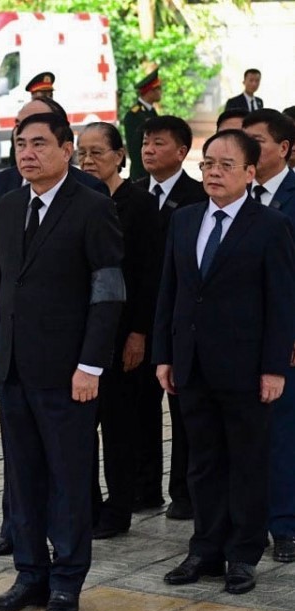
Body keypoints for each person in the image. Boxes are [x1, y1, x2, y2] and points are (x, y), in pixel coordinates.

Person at [0, 111, 124, 611]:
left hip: (69, 372)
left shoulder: (91, 206)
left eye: (39, 143)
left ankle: (67, 580)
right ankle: (29, 573)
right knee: (23, 476)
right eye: (21, 143)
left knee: (68, 477)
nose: (27, 153)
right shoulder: (8, 205)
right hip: (16, 366)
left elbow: (107, 290)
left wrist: (91, 364)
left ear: (67, 150)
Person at [154, 129, 295, 595]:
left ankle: (242, 554)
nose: (213, 172)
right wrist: (165, 355)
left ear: (250, 173)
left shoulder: (270, 226)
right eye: (208, 163)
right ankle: (204, 549)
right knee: (202, 463)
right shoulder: (186, 219)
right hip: (192, 365)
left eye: (225, 165)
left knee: (247, 464)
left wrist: (275, 367)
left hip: (247, 368)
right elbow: (170, 293)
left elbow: (281, 303)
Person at [77, 123, 164, 539]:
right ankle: (88, 505)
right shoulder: (74, 201)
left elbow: (149, 275)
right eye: (82, 153)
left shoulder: (141, 206)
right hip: (82, 335)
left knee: (119, 427)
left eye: (97, 153)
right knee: (82, 426)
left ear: (119, 156)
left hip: (125, 331)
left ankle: (119, 508)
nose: (89, 161)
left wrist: (140, 333)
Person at [133, 115, 207, 520]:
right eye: (145, 142)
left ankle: (184, 491)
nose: (148, 150)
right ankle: (144, 488)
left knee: (184, 413)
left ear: (181, 152)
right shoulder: (132, 192)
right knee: (141, 408)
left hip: (182, 318)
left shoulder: (198, 196)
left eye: (158, 143)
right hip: (142, 319)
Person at [242, 108, 295, 564]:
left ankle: (284, 525)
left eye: (256, 141)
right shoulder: (233, 197)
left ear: (284, 148)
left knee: (281, 433)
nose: (249, 149)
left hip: (284, 338)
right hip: (237, 338)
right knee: (243, 435)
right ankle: (245, 525)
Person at [124, 69, 161, 180]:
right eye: (158, 89)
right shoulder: (134, 115)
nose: (160, 92)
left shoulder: (151, 111)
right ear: (149, 91)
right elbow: (134, 149)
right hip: (141, 175)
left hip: (152, 172)